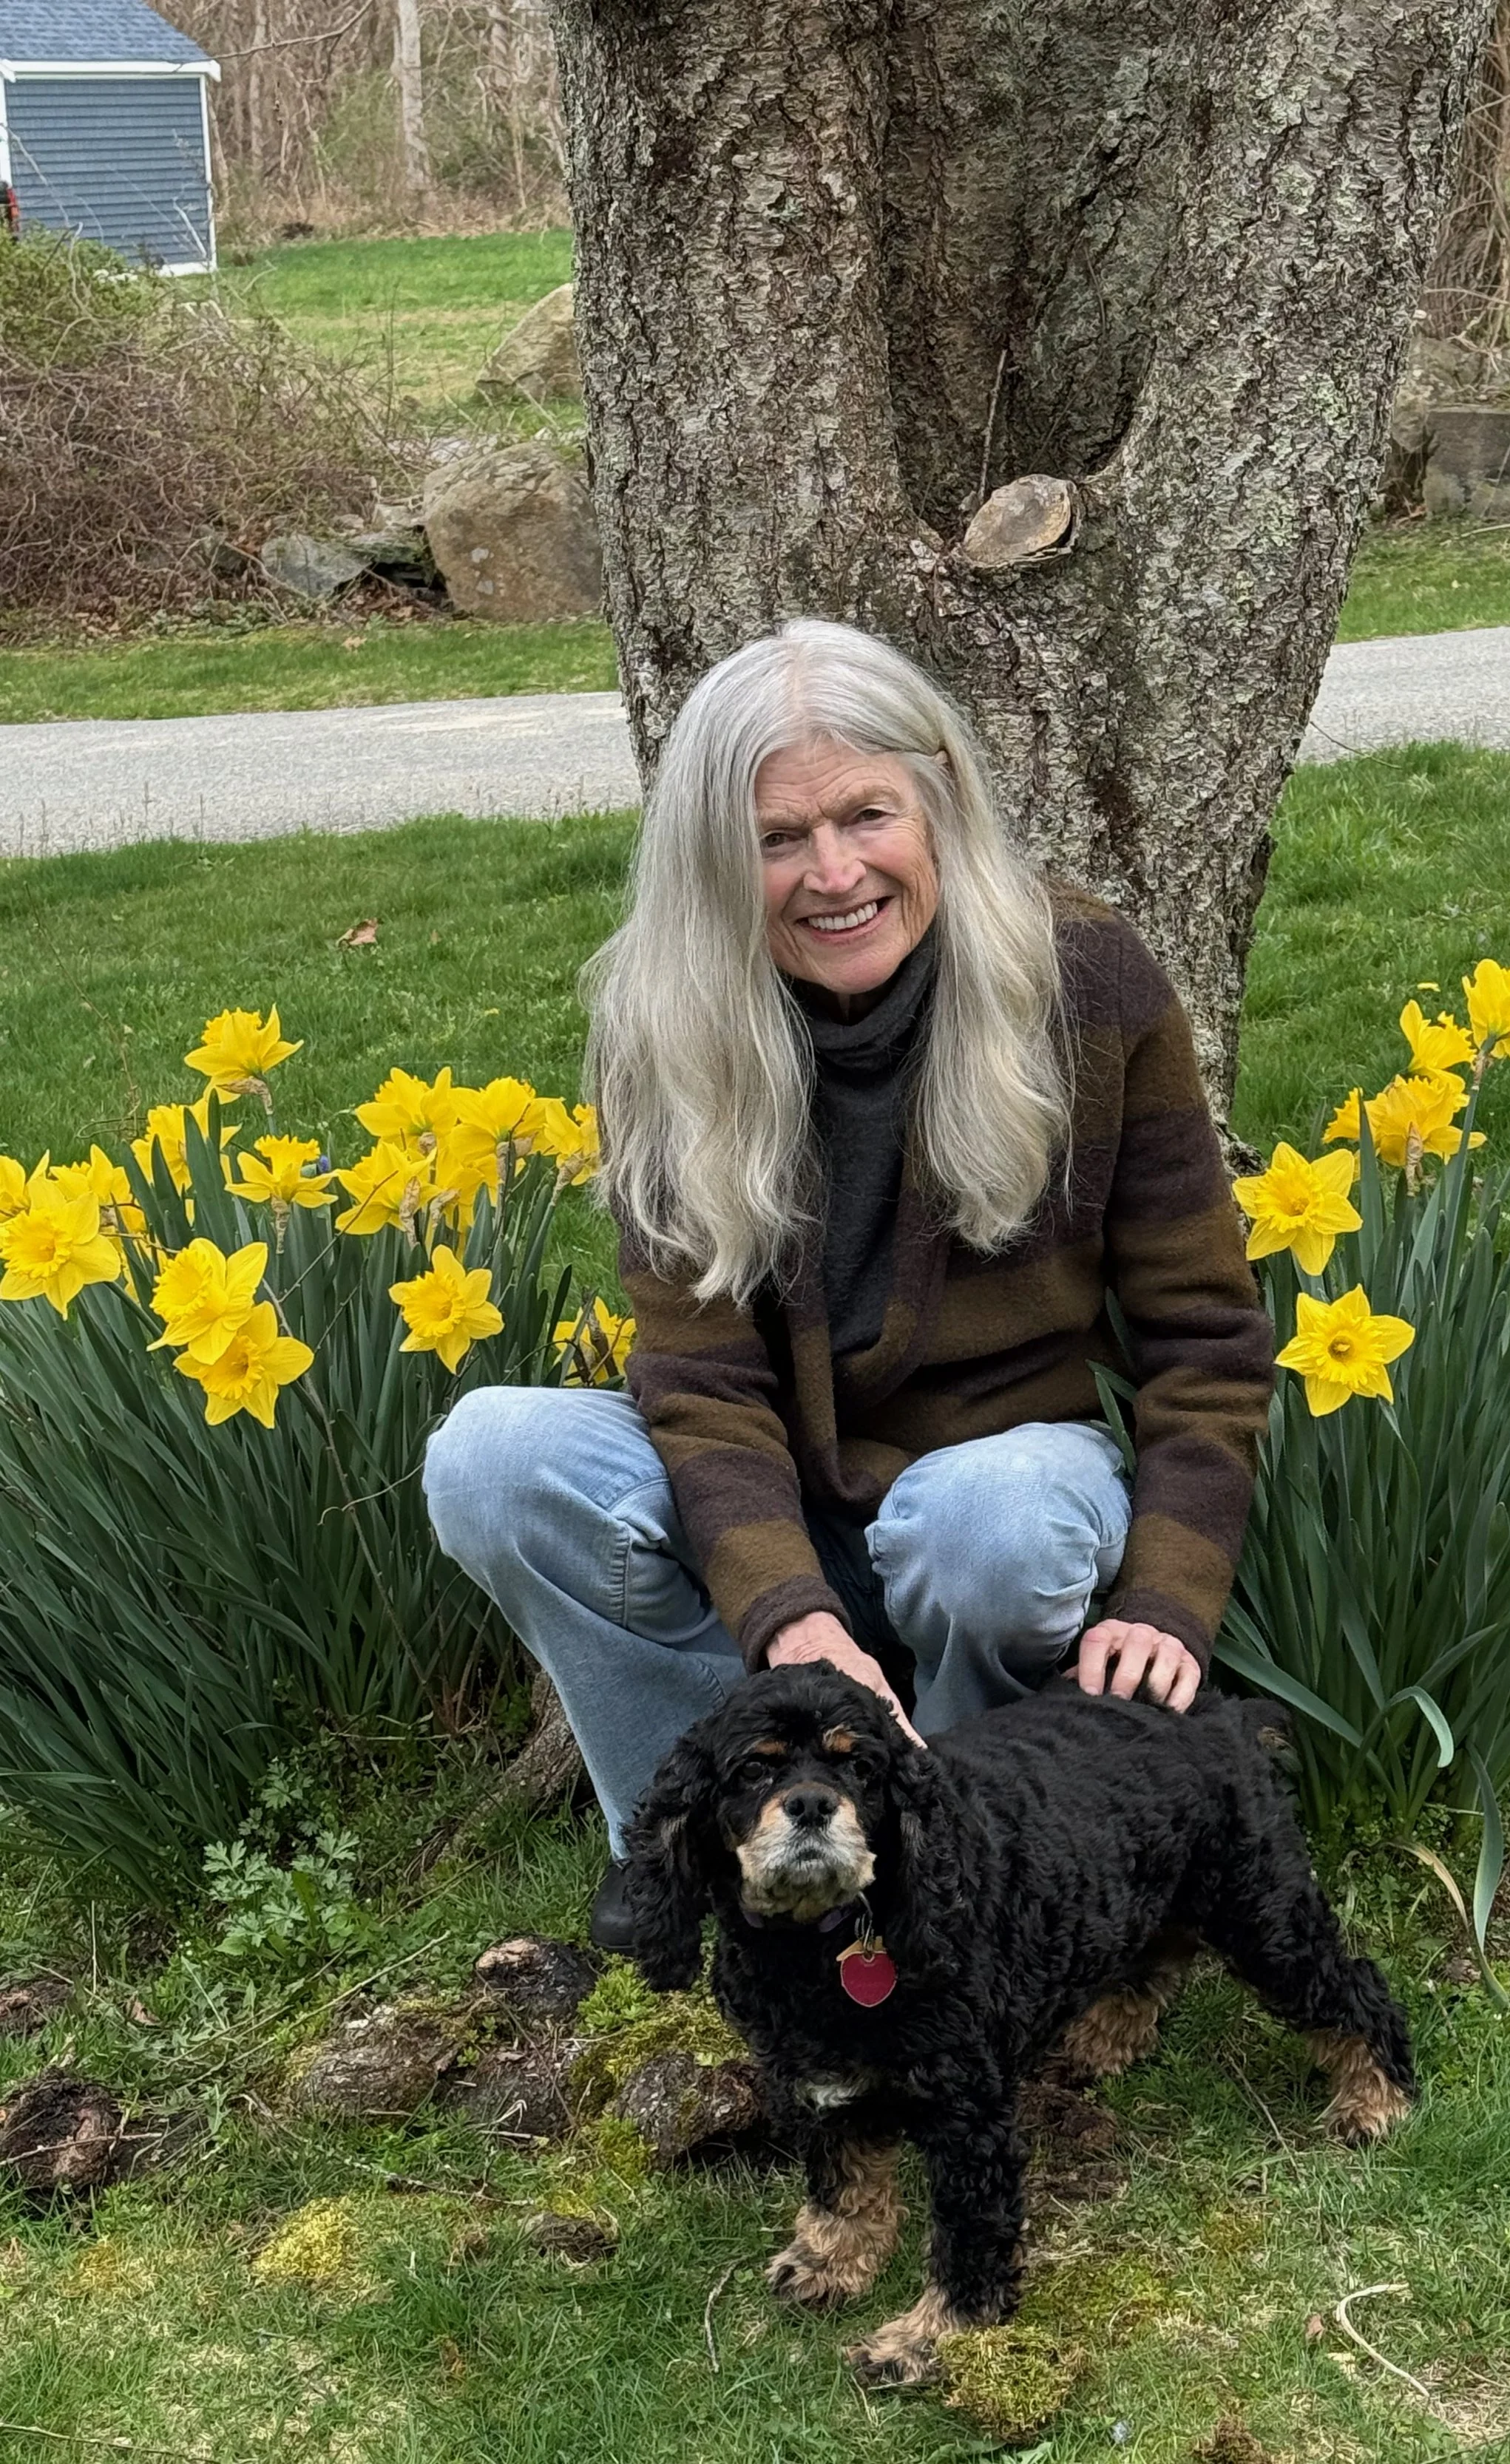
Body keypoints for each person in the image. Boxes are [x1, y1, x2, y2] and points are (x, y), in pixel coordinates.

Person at [424, 619, 1274, 1950]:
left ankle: (972, 1869)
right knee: (493, 1460)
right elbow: (698, 1383)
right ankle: (698, 1862)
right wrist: (788, 1611)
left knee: (991, 1525)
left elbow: (1207, 1337)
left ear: (935, 800)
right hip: (780, 1499)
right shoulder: (667, 1024)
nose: (834, 873)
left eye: (867, 815)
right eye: (777, 840)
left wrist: (1171, 1593)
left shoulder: (1084, 982)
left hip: (995, 1493)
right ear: (719, 856)